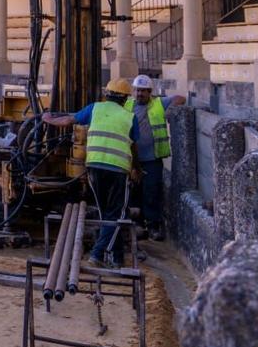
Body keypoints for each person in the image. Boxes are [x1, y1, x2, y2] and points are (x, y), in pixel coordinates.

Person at [44, 78, 139, 267]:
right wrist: (136, 168)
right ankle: (97, 254)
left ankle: (117, 258)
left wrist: (48, 119)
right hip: (118, 169)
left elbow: (69, 120)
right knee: (116, 214)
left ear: (107, 94)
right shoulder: (129, 117)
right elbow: (135, 146)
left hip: (94, 167)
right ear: (125, 99)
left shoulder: (94, 108)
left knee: (107, 213)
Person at [125, 75, 183, 241]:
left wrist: (171, 109)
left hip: (152, 159)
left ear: (150, 92)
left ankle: (153, 226)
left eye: (143, 91)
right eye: (137, 90)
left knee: (152, 192)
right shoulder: (127, 105)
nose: (139, 94)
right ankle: (137, 225)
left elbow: (180, 98)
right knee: (133, 192)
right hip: (131, 158)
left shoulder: (159, 103)